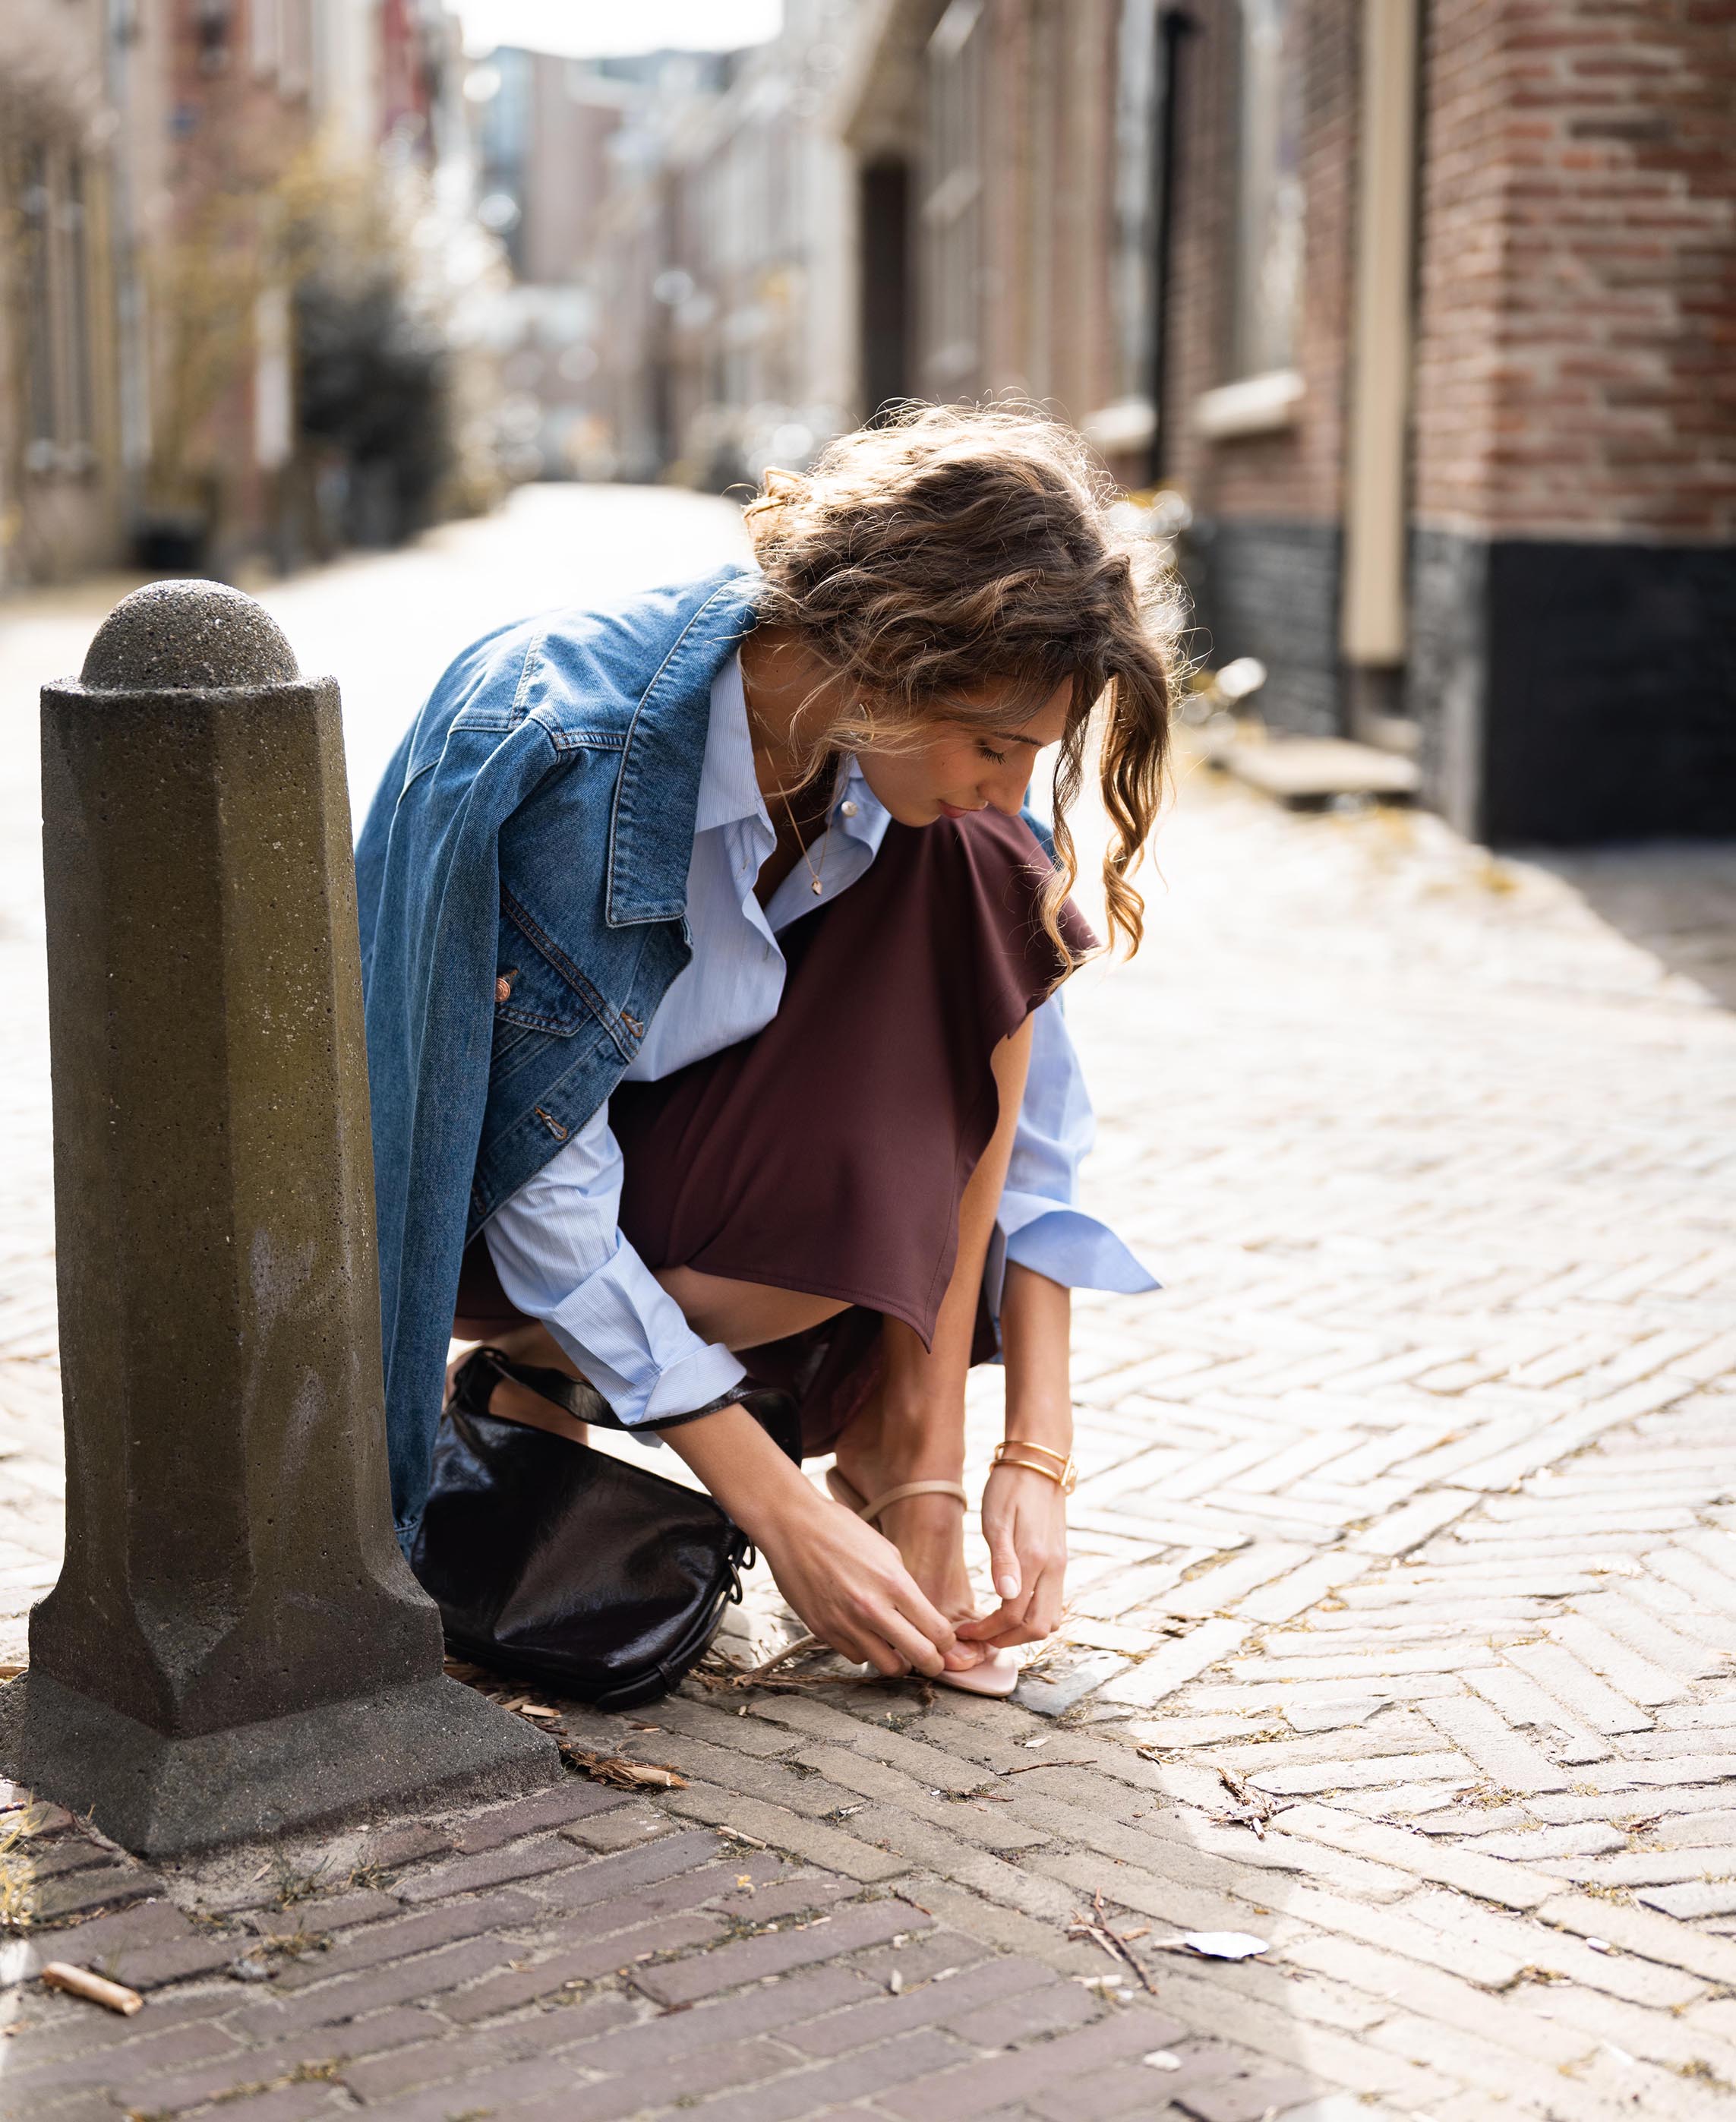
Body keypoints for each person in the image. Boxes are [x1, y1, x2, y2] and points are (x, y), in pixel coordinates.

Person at [357, 403, 1179, 1694]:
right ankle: (538, 1381)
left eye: (1031, 753)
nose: (1006, 783)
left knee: (986, 880)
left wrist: (1035, 1447)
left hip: (665, 1156)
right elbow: (535, 1194)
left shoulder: (893, 768)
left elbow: (1028, 1109)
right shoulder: (567, 754)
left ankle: (914, 1460)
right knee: (960, 901)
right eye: (993, 743)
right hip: (478, 1203)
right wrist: (777, 1518)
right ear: (895, 652)